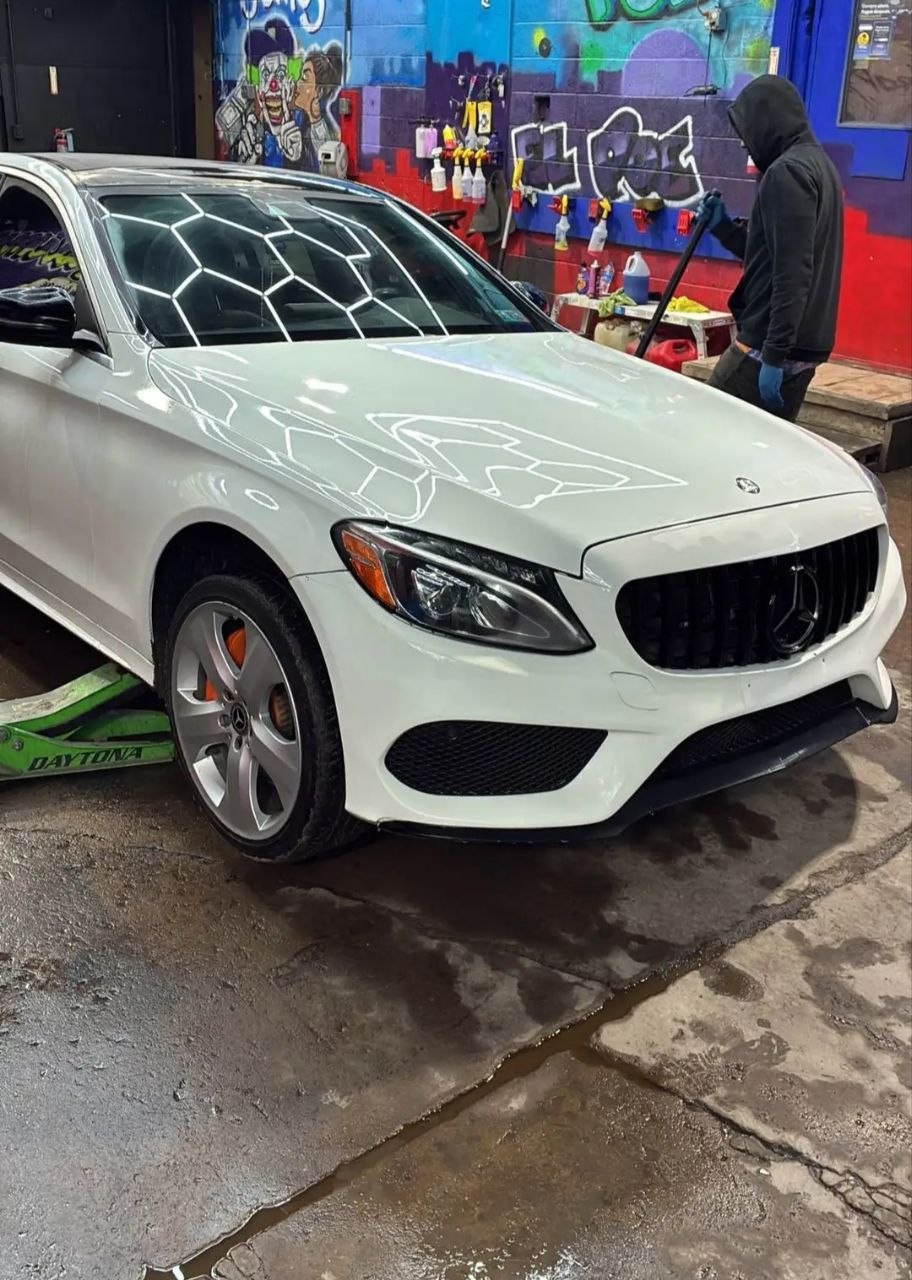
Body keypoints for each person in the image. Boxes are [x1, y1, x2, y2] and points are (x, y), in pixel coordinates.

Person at [699, 75, 843, 421]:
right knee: (762, 446)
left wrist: (774, 354)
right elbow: (775, 255)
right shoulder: (821, 167)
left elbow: (793, 272)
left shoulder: (787, 173)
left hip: (766, 346)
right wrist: (723, 228)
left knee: (703, 428)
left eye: (746, 132)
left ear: (767, 122)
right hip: (804, 345)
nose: (744, 144)